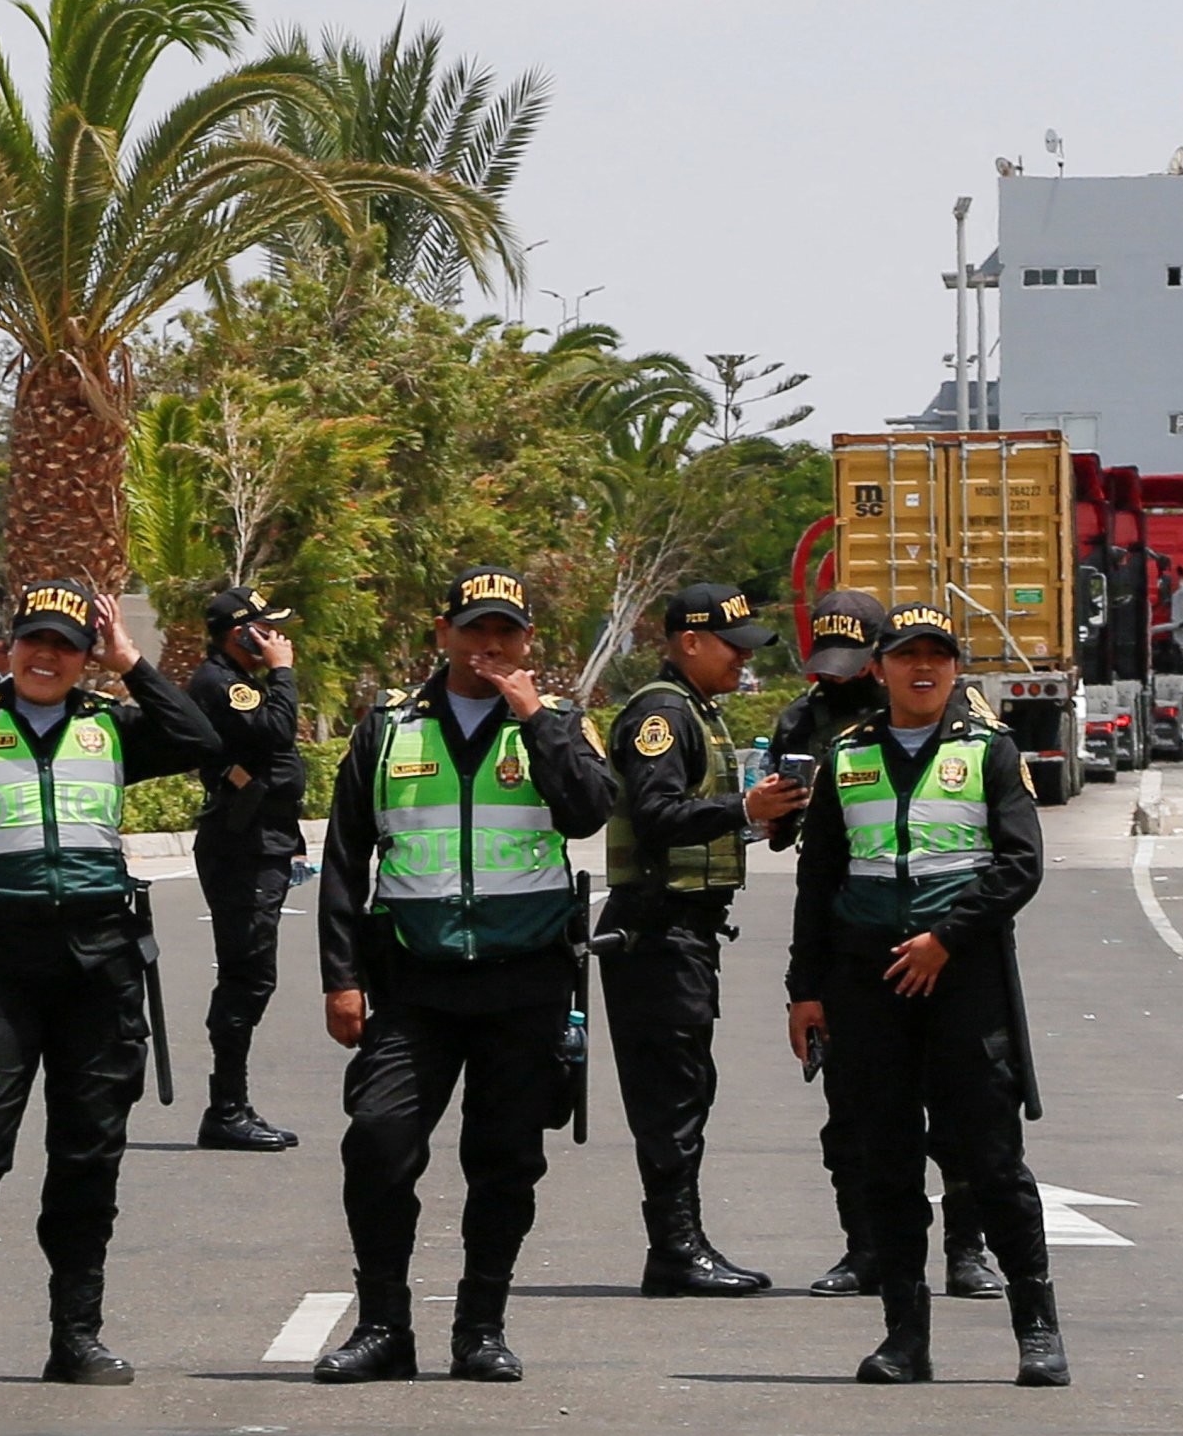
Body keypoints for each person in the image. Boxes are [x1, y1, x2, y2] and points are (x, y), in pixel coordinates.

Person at [0, 582, 220, 1385]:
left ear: (85, 655)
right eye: (33, 641)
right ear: (9, 646)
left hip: (99, 965)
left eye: (66, 646)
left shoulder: (110, 724)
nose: (46, 656)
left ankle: (76, 1335)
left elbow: (200, 736)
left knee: (88, 1152)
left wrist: (132, 662)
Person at [311, 566, 617, 1384]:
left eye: (506, 633)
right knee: (377, 1143)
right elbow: (344, 861)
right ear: (440, 634)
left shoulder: (556, 723)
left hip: (525, 980)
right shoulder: (387, 730)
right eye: (474, 630)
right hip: (415, 979)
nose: (489, 646)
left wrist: (534, 719)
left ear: (527, 644)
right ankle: (383, 1326)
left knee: (506, 1157)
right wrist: (340, 978)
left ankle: (480, 1326)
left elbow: (590, 810)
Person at [790, 600, 1064, 1386]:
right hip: (868, 980)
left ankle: (1037, 1332)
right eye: (906, 655)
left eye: (937, 656)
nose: (922, 669)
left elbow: (1019, 865)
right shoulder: (848, 755)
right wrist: (803, 991)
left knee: (991, 1158)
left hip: (961, 975)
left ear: (954, 668)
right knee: (886, 1159)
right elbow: (818, 881)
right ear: (878, 668)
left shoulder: (989, 752)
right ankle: (904, 1336)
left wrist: (946, 937)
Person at [760, 591, 1002, 1302]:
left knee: (959, 1112)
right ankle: (864, 1248)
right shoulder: (803, 722)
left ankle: (966, 1250)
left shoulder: (957, 724)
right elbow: (798, 856)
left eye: (851, 666)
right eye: (826, 668)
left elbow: (1005, 847)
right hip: (854, 945)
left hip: (943, 944)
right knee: (854, 1115)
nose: (836, 681)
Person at [600, 582, 808, 1297]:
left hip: (681, 930)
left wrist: (762, 819)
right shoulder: (661, 715)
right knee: (671, 1095)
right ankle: (675, 1250)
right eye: (732, 648)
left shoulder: (697, 711)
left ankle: (679, 1244)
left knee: (687, 1087)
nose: (743, 664)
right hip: (654, 929)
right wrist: (740, 808)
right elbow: (657, 813)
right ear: (688, 642)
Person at [185, 583, 306, 1152]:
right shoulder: (220, 683)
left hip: (263, 840)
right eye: (267, 629)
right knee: (246, 975)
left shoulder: (240, 683)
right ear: (241, 633)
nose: (278, 639)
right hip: (241, 846)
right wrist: (282, 672)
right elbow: (275, 732)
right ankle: (226, 1108)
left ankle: (231, 1104)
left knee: (252, 974)